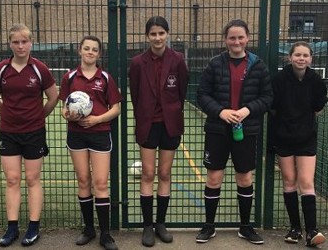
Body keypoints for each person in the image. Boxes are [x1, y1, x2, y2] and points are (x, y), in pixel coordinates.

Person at [196, 19, 272, 245]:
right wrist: (221, 112)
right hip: (217, 130)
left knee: (245, 177)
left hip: (246, 131)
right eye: (232, 37)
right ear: (225, 40)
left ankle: (245, 227)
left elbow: (267, 97)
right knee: (214, 177)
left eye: (240, 37)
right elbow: (202, 95)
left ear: (247, 38)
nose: (236, 41)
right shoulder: (214, 64)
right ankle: (209, 226)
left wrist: (248, 110)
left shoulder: (258, 66)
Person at [0, 23, 58, 247]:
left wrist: (38, 116)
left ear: (31, 43)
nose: (20, 46)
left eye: (24, 41)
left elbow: (53, 97)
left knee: (32, 179)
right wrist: (8, 115)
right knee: (12, 179)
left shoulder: (39, 69)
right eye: (16, 42)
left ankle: (34, 228)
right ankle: (12, 229)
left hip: (34, 133)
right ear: (10, 43)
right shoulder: (0, 69)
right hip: (8, 133)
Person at [129, 16, 188, 247]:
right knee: (147, 173)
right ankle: (147, 226)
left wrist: (171, 111)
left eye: (161, 33)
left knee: (164, 173)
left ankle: (160, 223)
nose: (157, 38)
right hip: (147, 124)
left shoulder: (178, 60)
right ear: (147, 36)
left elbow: (181, 91)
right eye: (153, 34)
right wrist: (145, 113)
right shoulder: (137, 62)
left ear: (167, 34)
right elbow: (135, 93)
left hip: (170, 124)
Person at [59, 35, 122, 250]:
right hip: (76, 135)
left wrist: (97, 119)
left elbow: (116, 108)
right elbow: (63, 108)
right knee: (84, 181)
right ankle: (88, 229)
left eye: (94, 49)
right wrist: (68, 115)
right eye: (86, 48)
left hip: (100, 133)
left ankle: (105, 234)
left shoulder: (105, 77)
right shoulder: (69, 77)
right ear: (80, 50)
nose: (90, 52)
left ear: (99, 54)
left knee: (101, 183)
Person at [271, 41, 327, 247]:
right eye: (297, 55)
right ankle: (295, 228)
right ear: (290, 57)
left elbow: (318, 107)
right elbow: (274, 106)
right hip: (284, 137)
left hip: (306, 138)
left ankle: (311, 231)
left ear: (311, 59)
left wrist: (303, 122)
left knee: (306, 182)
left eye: (305, 55)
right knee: (289, 181)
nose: (301, 58)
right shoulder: (280, 79)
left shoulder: (316, 81)